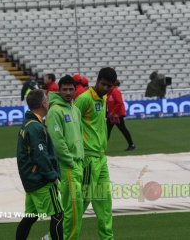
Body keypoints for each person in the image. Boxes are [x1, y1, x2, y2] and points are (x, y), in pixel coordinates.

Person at [16, 89, 63, 240]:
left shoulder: (29, 124)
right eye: (47, 100)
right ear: (43, 104)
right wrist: (53, 176)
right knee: (58, 215)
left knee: (30, 217)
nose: (49, 102)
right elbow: (40, 155)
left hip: (31, 180)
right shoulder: (35, 127)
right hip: (41, 181)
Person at [74, 67, 116, 240]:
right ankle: (56, 236)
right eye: (103, 84)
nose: (105, 88)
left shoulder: (103, 98)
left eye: (109, 86)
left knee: (105, 204)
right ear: (97, 81)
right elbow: (71, 124)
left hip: (101, 157)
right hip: (88, 159)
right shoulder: (84, 99)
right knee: (81, 203)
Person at [46, 75, 84, 240]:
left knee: (76, 209)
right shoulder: (55, 111)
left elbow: (80, 136)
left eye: (71, 89)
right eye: (65, 89)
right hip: (67, 167)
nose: (68, 92)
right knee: (73, 210)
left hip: (78, 164)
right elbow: (57, 141)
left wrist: (81, 159)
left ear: (75, 90)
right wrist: (70, 161)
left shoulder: (75, 109)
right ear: (59, 90)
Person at [107, 80, 135, 151]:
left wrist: (112, 113)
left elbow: (119, 103)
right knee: (108, 130)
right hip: (113, 115)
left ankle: (131, 144)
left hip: (117, 115)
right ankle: (131, 144)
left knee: (109, 130)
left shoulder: (115, 92)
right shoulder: (110, 92)